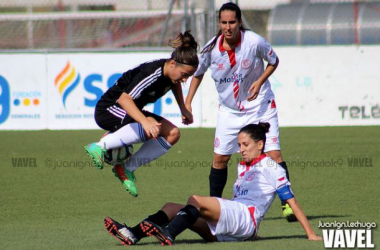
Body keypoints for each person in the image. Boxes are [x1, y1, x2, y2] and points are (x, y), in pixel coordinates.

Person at [103, 123, 322, 246]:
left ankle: (168, 233)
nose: (241, 149)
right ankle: (132, 233)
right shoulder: (243, 166)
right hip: (233, 225)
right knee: (171, 206)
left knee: (195, 200)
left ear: (260, 144)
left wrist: (309, 233)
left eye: (245, 144)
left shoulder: (272, 167)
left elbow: (291, 200)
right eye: (239, 145)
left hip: (244, 218)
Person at [184, 2, 294, 220]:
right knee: (219, 160)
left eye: (232, 22)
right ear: (219, 23)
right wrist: (187, 104)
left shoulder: (254, 42)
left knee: (273, 154)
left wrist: (260, 81)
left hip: (260, 105)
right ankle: (213, 206)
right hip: (230, 111)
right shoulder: (210, 49)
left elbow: (274, 60)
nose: (228, 27)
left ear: (239, 22)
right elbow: (197, 74)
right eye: (224, 22)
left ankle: (287, 204)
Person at [84, 31, 199, 197]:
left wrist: (183, 107)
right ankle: (100, 146)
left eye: (188, 76)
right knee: (151, 125)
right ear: (173, 63)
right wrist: (145, 122)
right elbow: (124, 99)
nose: (184, 80)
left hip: (128, 109)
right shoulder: (153, 73)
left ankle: (126, 168)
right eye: (184, 75)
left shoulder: (170, 73)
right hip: (109, 109)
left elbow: (174, 84)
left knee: (173, 133)